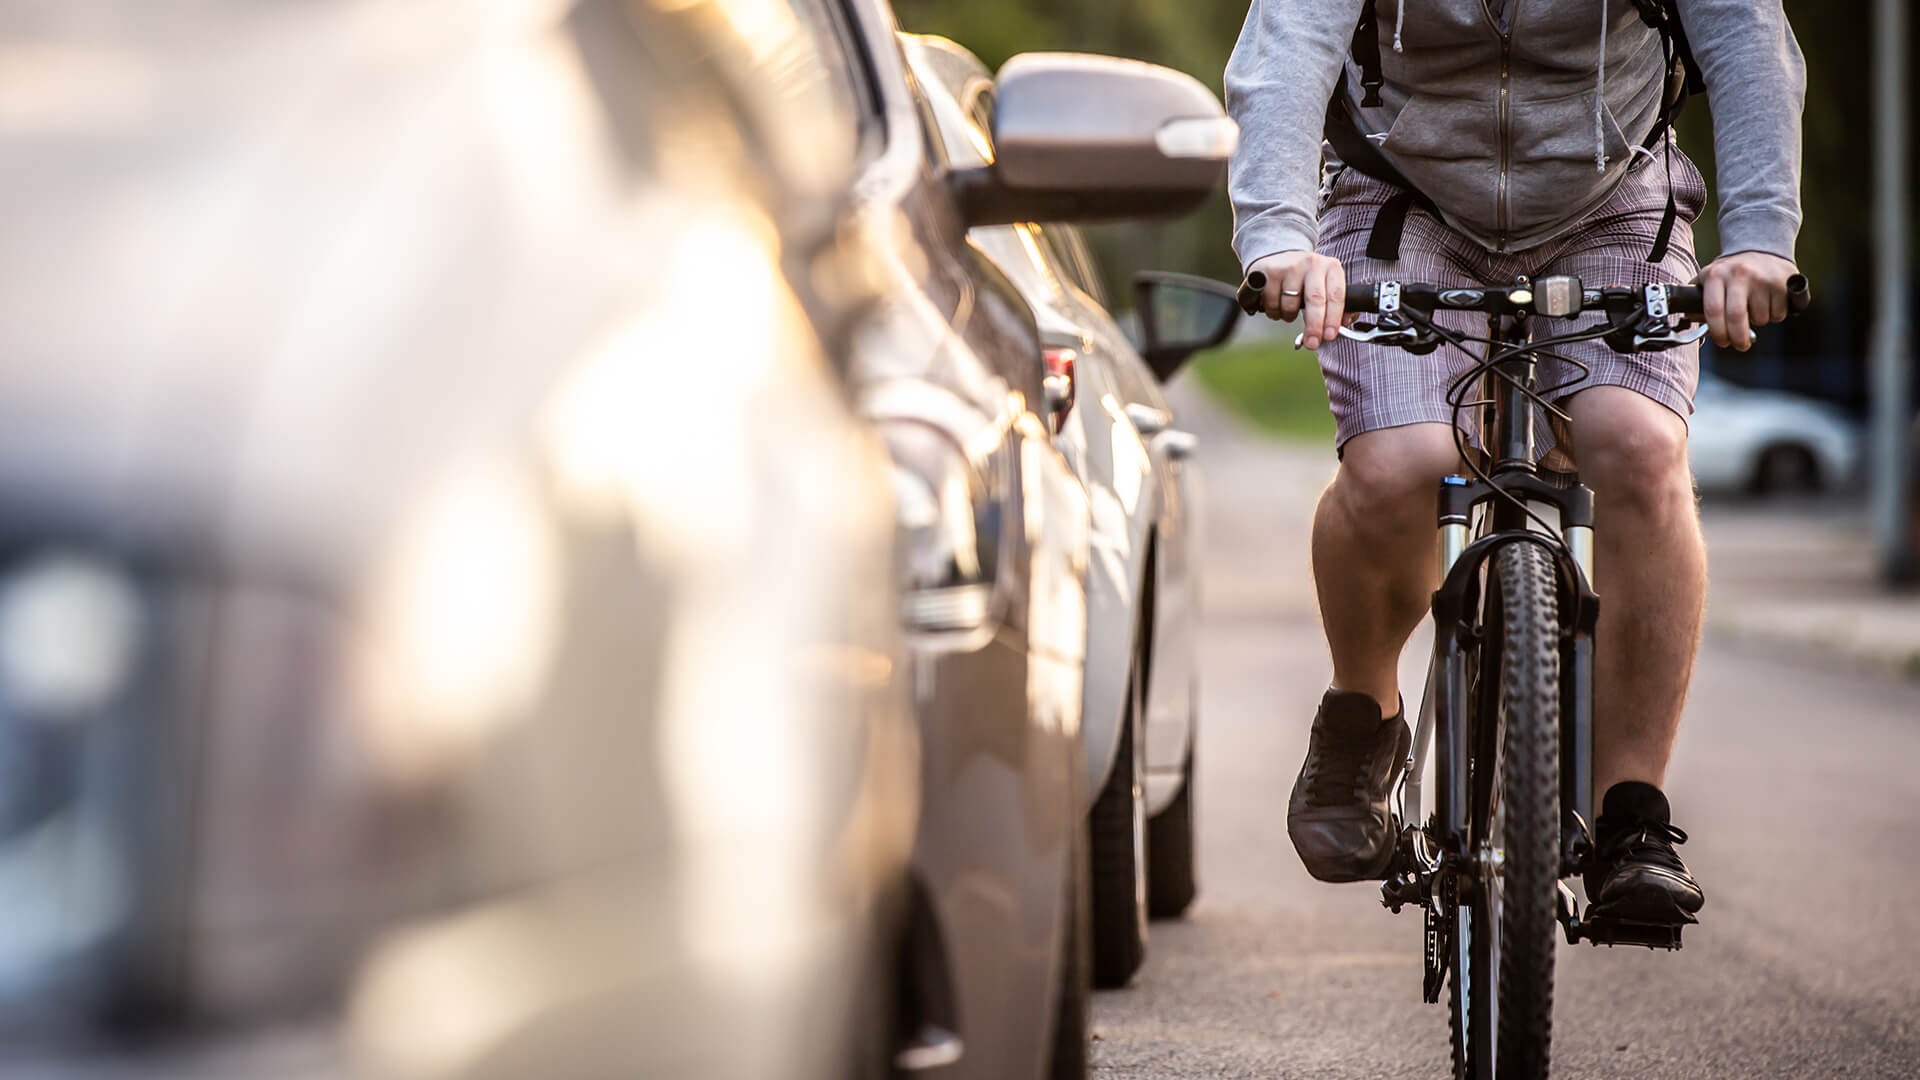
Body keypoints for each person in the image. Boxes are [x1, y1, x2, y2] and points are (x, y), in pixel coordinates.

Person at [1226, 0, 1804, 923]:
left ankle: (1632, 818)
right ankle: (1363, 713)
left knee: (1639, 447)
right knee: (1400, 464)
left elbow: (1747, 41)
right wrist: (1279, 237)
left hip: (1614, 201)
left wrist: (1762, 239)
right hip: (1399, 196)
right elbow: (1289, 49)